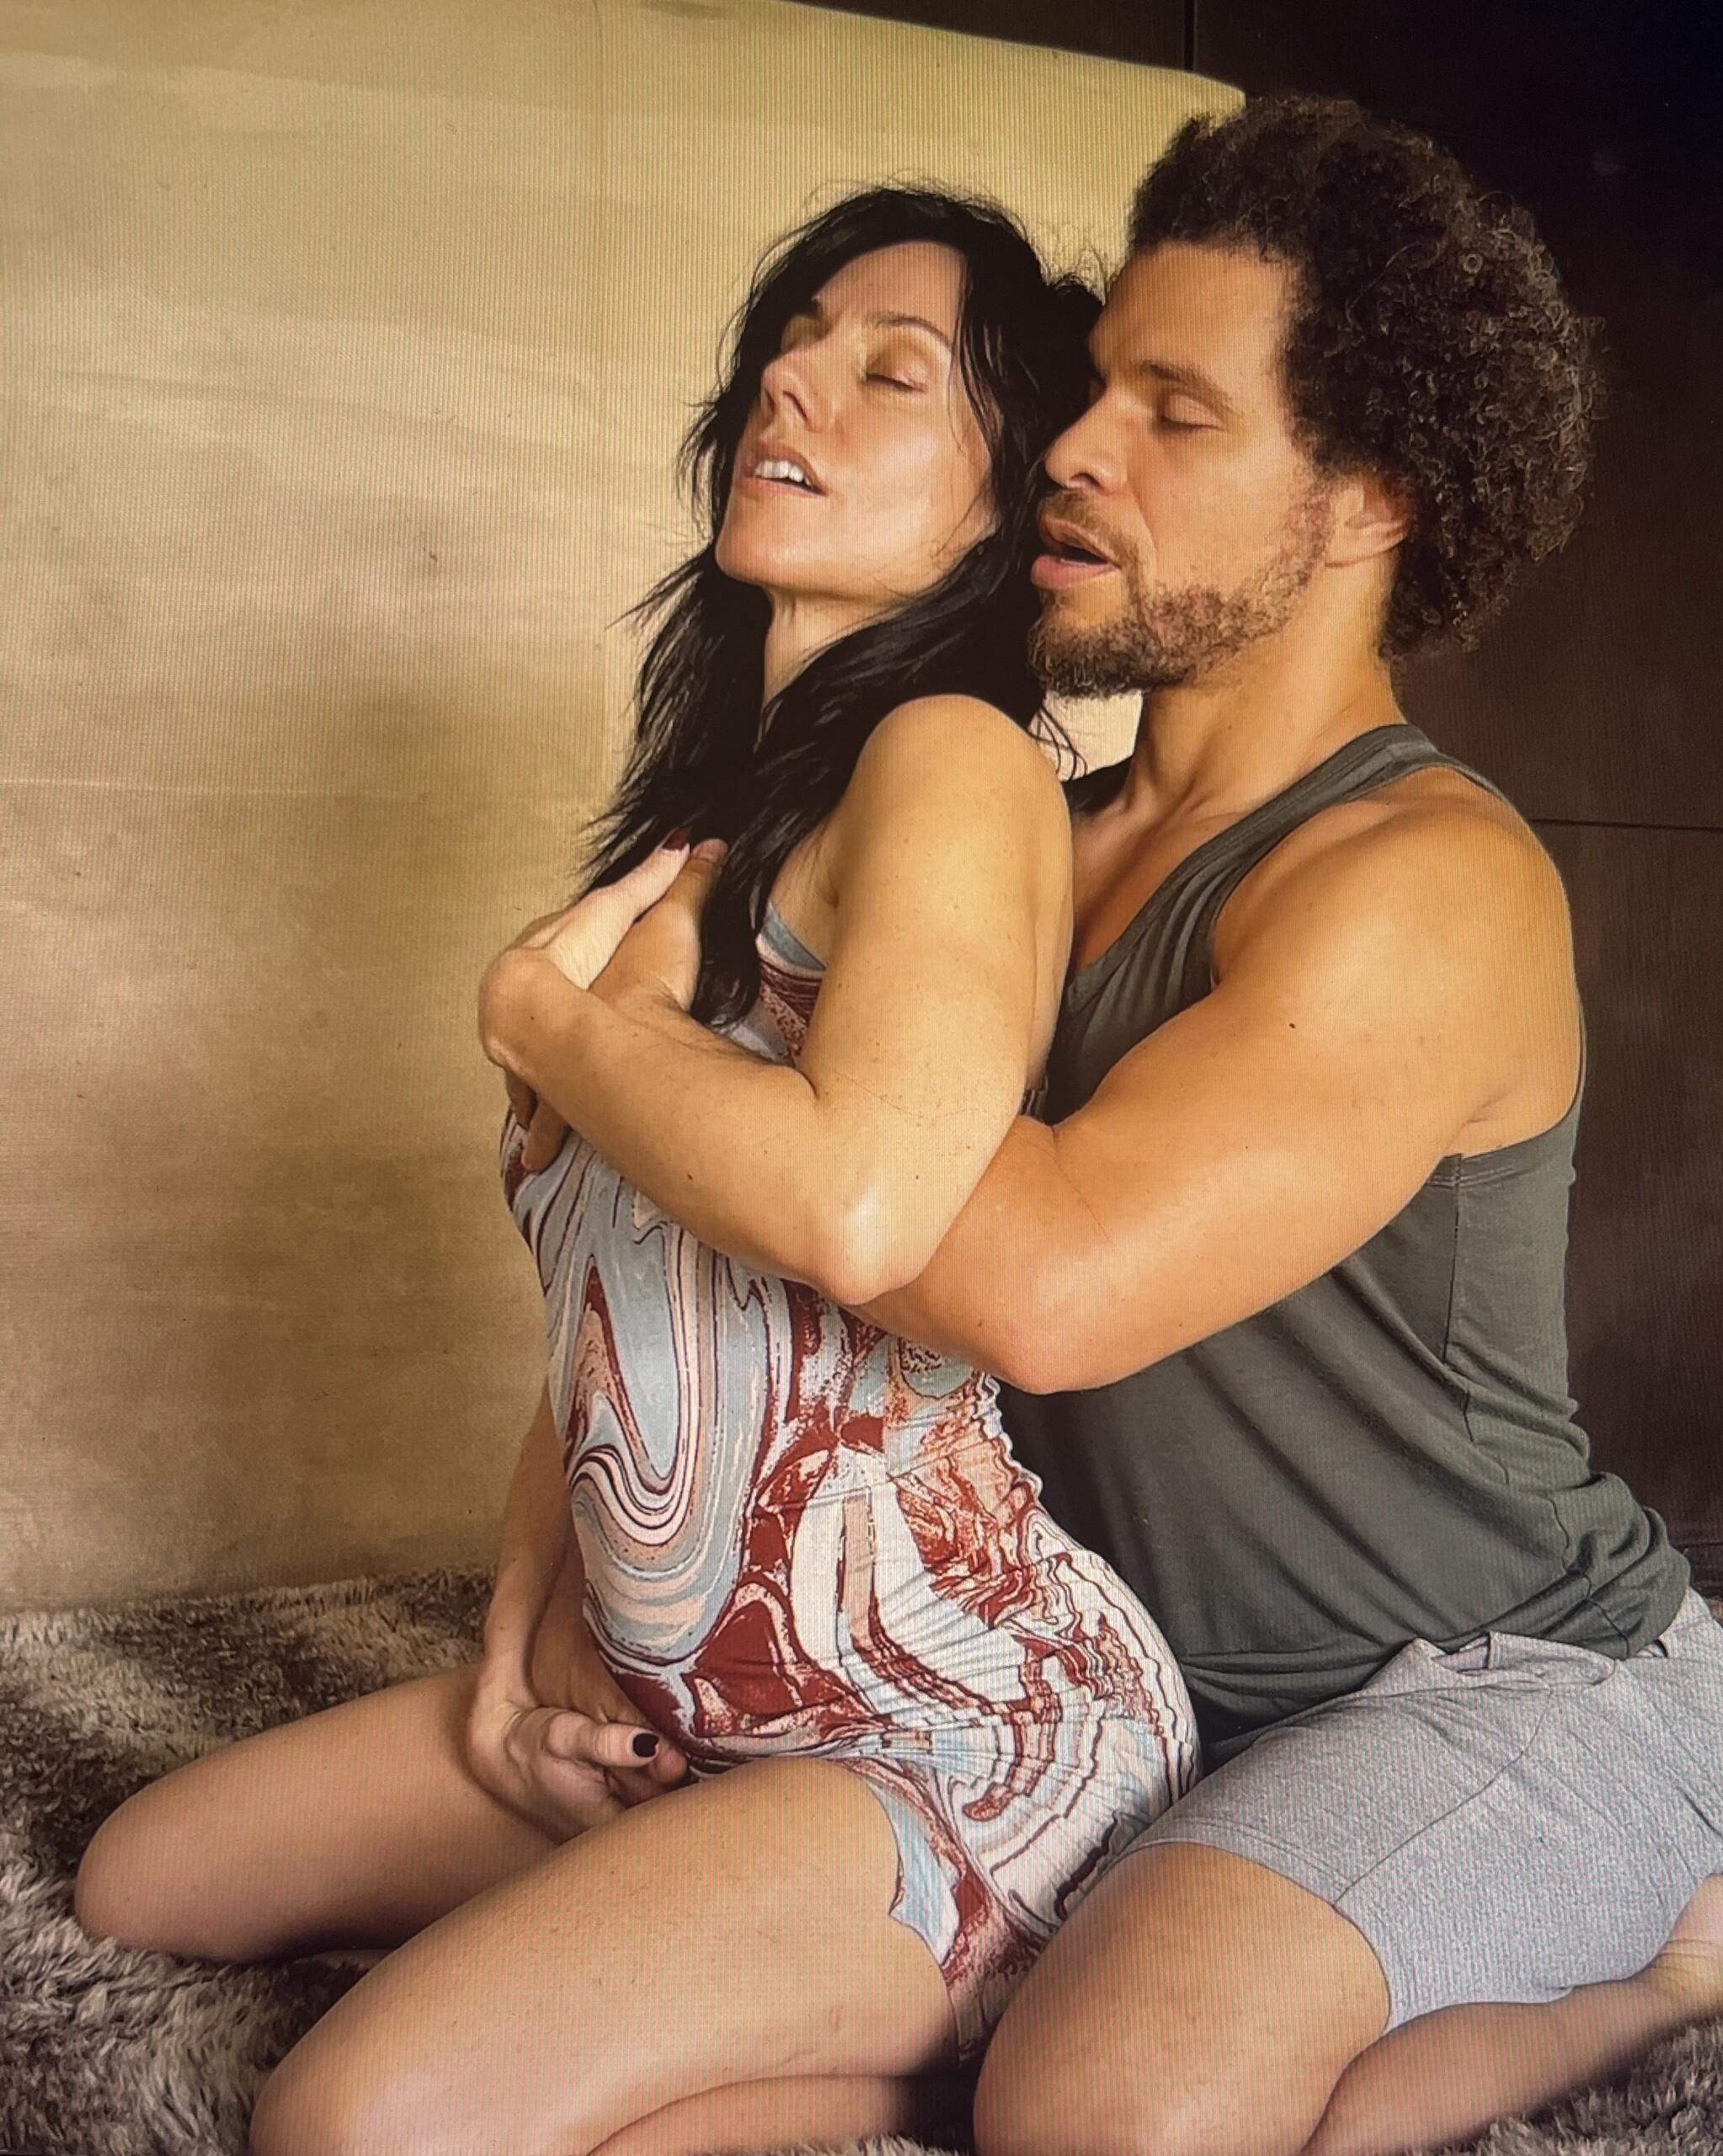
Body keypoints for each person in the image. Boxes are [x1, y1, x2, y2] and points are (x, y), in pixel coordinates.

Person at [505, 95, 1723, 2156]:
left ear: (1363, 500)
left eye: (1174, 415)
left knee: (1098, 2110)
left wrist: (584, 1036)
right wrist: (576, 1572)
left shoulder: (1423, 883)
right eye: (1094, 390)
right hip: (1117, 1679)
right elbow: (721, 1241)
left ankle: (1676, 1964)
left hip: (1489, 1678)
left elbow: (1032, 1283)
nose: (1077, 447)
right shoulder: (1027, 820)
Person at [70, 186, 1200, 2156]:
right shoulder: (713, 833)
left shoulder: (953, 757)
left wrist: (546, 1016)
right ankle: (809, 2011)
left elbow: (858, 1204)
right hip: (697, 1716)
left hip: (952, 1723)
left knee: (352, 2120)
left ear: (995, 501)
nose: (795, 380)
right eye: (796, 338)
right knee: (140, 1878)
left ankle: (966, 2013)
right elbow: (615, 1319)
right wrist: (518, 1645)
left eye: (892, 373)